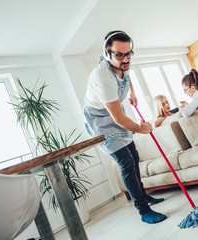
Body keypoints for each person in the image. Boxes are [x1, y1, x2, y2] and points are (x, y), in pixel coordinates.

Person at [83, 30, 166, 224]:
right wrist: (141, 128)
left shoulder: (123, 61)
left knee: (134, 155)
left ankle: (144, 195)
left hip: (115, 111)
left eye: (128, 53)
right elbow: (119, 118)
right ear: (107, 53)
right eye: (119, 54)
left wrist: (132, 92)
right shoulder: (102, 76)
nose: (125, 58)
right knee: (126, 163)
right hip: (99, 120)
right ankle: (143, 210)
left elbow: (127, 73)